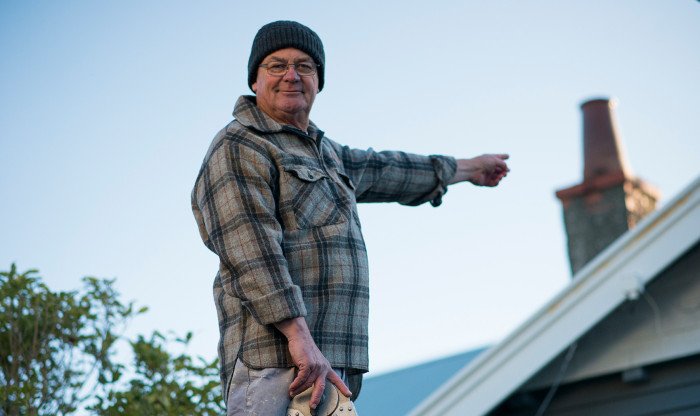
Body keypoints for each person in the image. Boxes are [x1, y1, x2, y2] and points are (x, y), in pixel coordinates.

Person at [191, 20, 509, 416]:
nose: (291, 75)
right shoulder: (239, 144)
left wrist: (469, 168)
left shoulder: (328, 154)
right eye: (277, 65)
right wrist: (299, 339)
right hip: (276, 360)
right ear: (255, 79)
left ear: (318, 82)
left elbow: (387, 169)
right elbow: (250, 251)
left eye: (304, 66)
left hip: (329, 361)